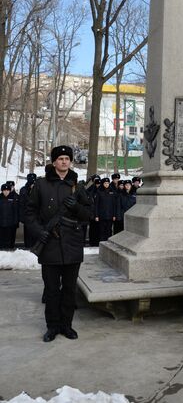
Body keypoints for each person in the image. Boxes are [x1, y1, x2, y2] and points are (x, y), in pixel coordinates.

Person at [25, 145, 92, 342]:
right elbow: (29, 213)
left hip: (72, 245)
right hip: (50, 245)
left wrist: (78, 207)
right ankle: (52, 327)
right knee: (52, 290)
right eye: (60, 158)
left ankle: (66, 325)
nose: (64, 161)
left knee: (69, 290)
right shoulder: (41, 185)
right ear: (53, 162)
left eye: (67, 158)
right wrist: (40, 232)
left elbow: (89, 214)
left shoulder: (77, 187)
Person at [19, 173, 37, 248]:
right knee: (27, 235)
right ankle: (27, 249)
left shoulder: (38, 188)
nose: (32, 182)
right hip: (27, 216)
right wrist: (22, 217)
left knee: (35, 235)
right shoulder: (23, 190)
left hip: (36, 217)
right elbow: (21, 205)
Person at [0, 183, 19, 249]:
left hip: (10, 224)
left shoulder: (13, 198)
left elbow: (15, 211)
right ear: (2, 191)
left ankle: (9, 254)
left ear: (9, 191)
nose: (6, 192)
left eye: (7, 190)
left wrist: (15, 222)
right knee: (1, 241)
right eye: (4, 190)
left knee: (9, 241)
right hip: (1, 224)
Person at [87, 175, 101, 246]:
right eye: (95, 180)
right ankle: (92, 242)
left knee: (99, 229)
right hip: (92, 212)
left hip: (100, 212)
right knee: (92, 229)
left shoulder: (102, 189)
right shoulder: (90, 190)